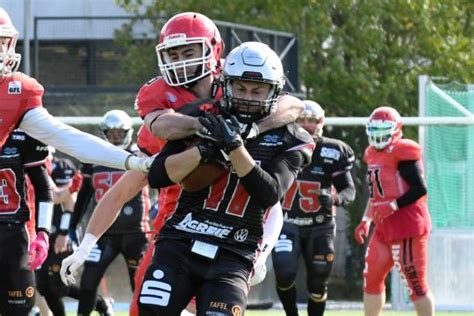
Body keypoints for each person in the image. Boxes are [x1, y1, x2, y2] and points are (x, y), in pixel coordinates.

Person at [60, 11, 302, 316]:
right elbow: (149, 149)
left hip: (236, 230)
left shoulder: (238, 81)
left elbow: (291, 104)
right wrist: (206, 128)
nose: (181, 61)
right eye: (173, 54)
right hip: (177, 225)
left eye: (189, 52)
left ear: (214, 51)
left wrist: (249, 129)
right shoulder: (161, 98)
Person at [139, 41, 315, 315]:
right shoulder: (203, 117)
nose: (247, 97)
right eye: (240, 88)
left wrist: (235, 148)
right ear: (225, 84)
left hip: (235, 252)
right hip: (180, 241)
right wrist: (204, 149)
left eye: (258, 91)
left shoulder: (292, 138)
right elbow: (158, 175)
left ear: (275, 91)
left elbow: (269, 194)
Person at [0, 7, 151, 173]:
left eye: (2, 42)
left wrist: (132, 161)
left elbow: (70, 140)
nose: (1, 51)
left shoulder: (16, 91)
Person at [272, 100, 356, 316]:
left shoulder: (334, 150)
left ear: (322, 122)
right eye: (302, 120)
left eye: (313, 120)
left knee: (318, 281)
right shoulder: (280, 143)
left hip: (321, 226)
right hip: (287, 223)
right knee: (284, 271)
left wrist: (335, 199)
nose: (308, 125)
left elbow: (349, 190)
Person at [66, 110, 150, 316]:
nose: (115, 137)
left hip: (136, 234)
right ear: (104, 133)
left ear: (128, 133)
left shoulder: (140, 155)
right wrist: (72, 225)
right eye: (110, 133)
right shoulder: (94, 157)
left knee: (139, 286)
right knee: (88, 282)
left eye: (119, 133)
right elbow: (85, 195)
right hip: (103, 235)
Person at [354, 106, 434, 316]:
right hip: (383, 227)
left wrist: (392, 206)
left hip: (407, 226)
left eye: (384, 130)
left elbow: (419, 189)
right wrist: (366, 219)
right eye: (375, 130)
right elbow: (376, 194)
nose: (378, 136)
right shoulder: (371, 153)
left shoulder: (404, 151)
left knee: (415, 284)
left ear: (396, 129)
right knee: (371, 277)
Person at [35, 155, 113, 316]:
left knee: (57, 286)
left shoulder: (59, 166)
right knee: (42, 286)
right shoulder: (26, 165)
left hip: (58, 234)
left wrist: (64, 232)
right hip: (38, 232)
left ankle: (99, 303)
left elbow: (64, 199)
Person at [0, 129, 53, 315]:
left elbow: (44, 189)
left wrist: (43, 232)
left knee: (20, 308)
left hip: (14, 237)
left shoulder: (20, 137)